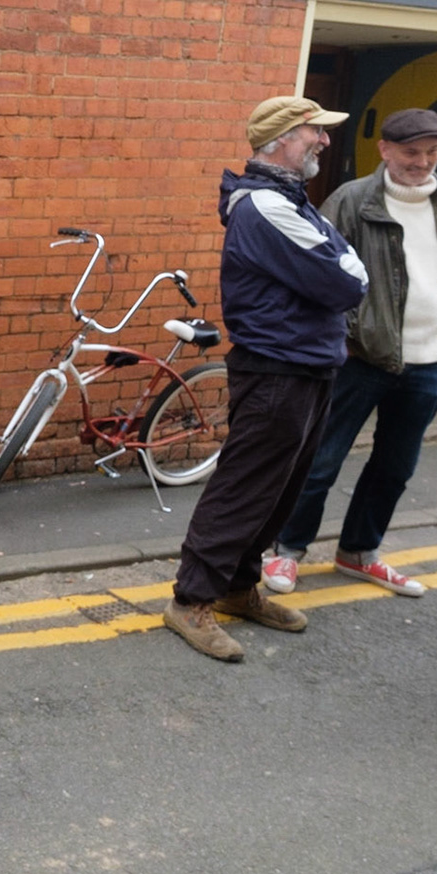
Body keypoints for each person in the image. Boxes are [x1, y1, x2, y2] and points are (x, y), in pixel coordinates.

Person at [163, 97, 369, 661]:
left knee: (280, 490)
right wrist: (345, 264)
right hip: (278, 368)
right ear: (279, 140)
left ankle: (236, 587)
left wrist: (344, 262)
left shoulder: (293, 202)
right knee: (245, 488)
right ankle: (190, 601)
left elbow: (345, 265)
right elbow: (349, 280)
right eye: (313, 132)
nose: (324, 141)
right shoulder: (266, 207)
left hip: (309, 364)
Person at [262, 108, 437, 597]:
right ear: (384, 150)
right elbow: (318, 275)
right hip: (358, 360)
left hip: (428, 365)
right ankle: (286, 549)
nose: (421, 162)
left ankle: (359, 553)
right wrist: (343, 339)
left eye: (432, 152)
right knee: (321, 460)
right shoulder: (351, 201)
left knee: (395, 468)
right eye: (411, 152)